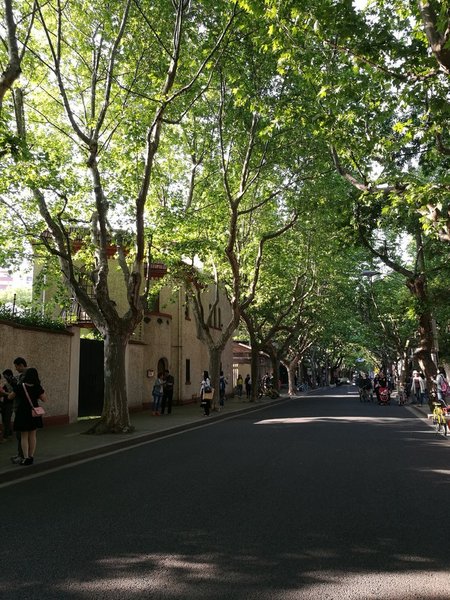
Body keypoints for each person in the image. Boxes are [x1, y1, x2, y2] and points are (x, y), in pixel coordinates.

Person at [10, 363, 46, 466]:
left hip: (23, 412)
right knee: (33, 435)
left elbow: (10, 397)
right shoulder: (37, 387)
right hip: (34, 412)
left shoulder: (20, 386)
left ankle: (25, 458)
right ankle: (31, 456)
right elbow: (44, 399)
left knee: (24, 436)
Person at [0, 371, 14, 441]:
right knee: (5, 419)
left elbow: (13, 394)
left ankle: (6, 435)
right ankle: (9, 433)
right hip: (4, 403)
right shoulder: (5, 385)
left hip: (10, 404)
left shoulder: (14, 384)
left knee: (7, 419)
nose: (4, 378)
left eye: (5, 376)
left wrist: (4, 393)